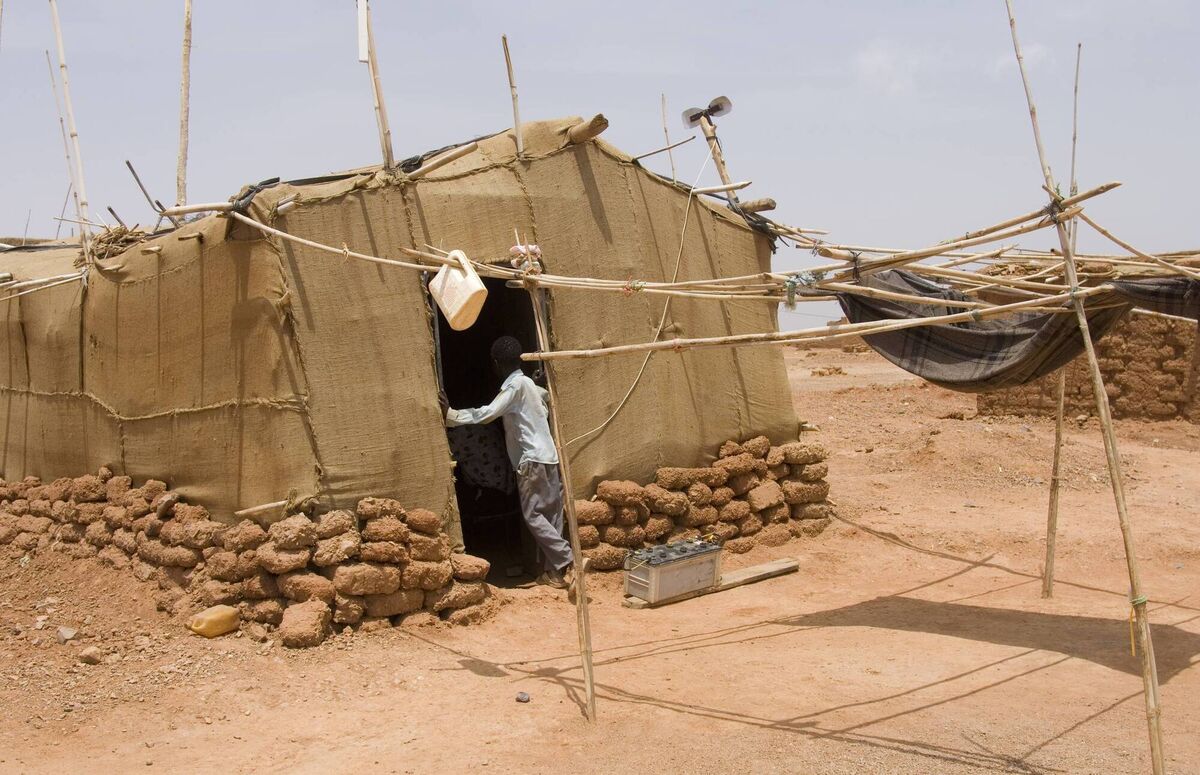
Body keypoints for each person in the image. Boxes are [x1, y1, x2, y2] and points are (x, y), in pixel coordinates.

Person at [443, 336, 582, 589]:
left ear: (496, 364)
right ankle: (556, 574)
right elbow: (545, 397)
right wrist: (540, 385)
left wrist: (451, 415)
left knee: (533, 515)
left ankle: (568, 558)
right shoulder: (528, 384)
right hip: (550, 457)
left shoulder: (514, 387)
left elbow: (487, 413)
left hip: (531, 461)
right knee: (551, 515)